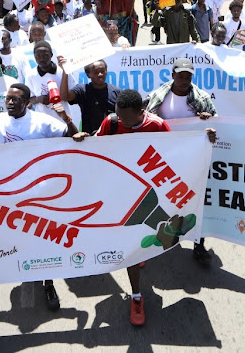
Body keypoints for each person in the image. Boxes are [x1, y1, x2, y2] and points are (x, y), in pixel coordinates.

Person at [0, 83, 77, 311]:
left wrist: (67, 119)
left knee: (44, 237)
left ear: (28, 103)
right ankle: (28, 269)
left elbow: (75, 138)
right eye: (8, 99)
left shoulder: (42, 121)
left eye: (15, 100)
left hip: (41, 193)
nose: (10, 103)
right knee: (22, 236)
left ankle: (49, 282)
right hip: (11, 194)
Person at [71, 88, 170, 326]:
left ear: (140, 112)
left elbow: (176, 155)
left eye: (126, 117)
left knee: (152, 236)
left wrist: (204, 139)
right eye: (118, 115)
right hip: (119, 194)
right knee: (129, 248)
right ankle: (137, 296)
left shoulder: (158, 126)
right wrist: (83, 139)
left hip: (149, 194)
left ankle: (141, 250)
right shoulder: (111, 122)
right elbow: (96, 149)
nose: (120, 121)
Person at [144, 57, 216, 265]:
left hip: (194, 160)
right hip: (164, 158)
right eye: (181, 76)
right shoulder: (158, 96)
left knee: (197, 201)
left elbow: (217, 123)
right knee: (163, 200)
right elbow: (146, 122)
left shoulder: (201, 98)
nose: (184, 80)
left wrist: (209, 122)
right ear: (172, 75)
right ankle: (161, 240)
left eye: (188, 76)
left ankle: (198, 244)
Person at [59, 57, 121, 135]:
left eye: (102, 71)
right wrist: (65, 72)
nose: (100, 74)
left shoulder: (116, 91)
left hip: (113, 139)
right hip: (90, 140)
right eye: (95, 72)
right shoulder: (82, 90)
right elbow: (65, 97)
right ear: (88, 75)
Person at [23, 41, 78, 123]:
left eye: (45, 56)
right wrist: (39, 99)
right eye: (38, 56)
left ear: (52, 55)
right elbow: (28, 99)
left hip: (63, 119)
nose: (41, 59)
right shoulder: (31, 75)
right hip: (42, 120)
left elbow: (73, 94)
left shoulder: (63, 71)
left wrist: (61, 96)